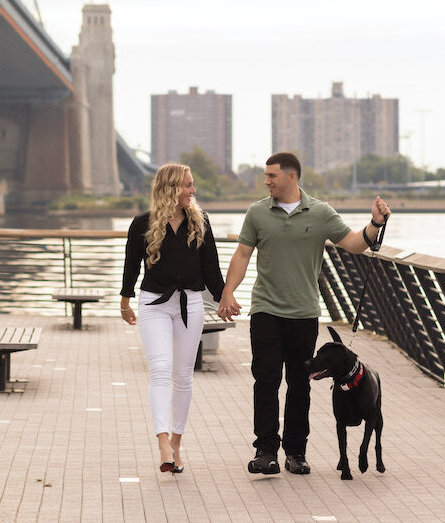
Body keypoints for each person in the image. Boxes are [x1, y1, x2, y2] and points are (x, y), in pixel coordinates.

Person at [216, 151, 391, 476]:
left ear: (291, 177)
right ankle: (266, 450)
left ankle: (296, 453)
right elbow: (242, 254)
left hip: (304, 314)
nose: (266, 181)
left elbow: (353, 243)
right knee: (265, 381)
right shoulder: (257, 212)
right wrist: (228, 292)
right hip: (265, 310)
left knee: (300, 384)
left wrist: (375, 223)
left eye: (272, 176)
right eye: (265, 176)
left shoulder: (320, 212)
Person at [120, 163, 225, 474]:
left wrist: (225, 300)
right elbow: (130, 268)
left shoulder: (200, 221)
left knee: (182, 376)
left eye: (192, 185)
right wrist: (125, 304)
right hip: (154, 303)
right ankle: (162, 440)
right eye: (188, 185)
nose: (193, 191)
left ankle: (176, 442)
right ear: (171, 188)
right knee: (160, 368)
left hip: (191, 303)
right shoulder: (142, 224)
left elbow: (212, 270)